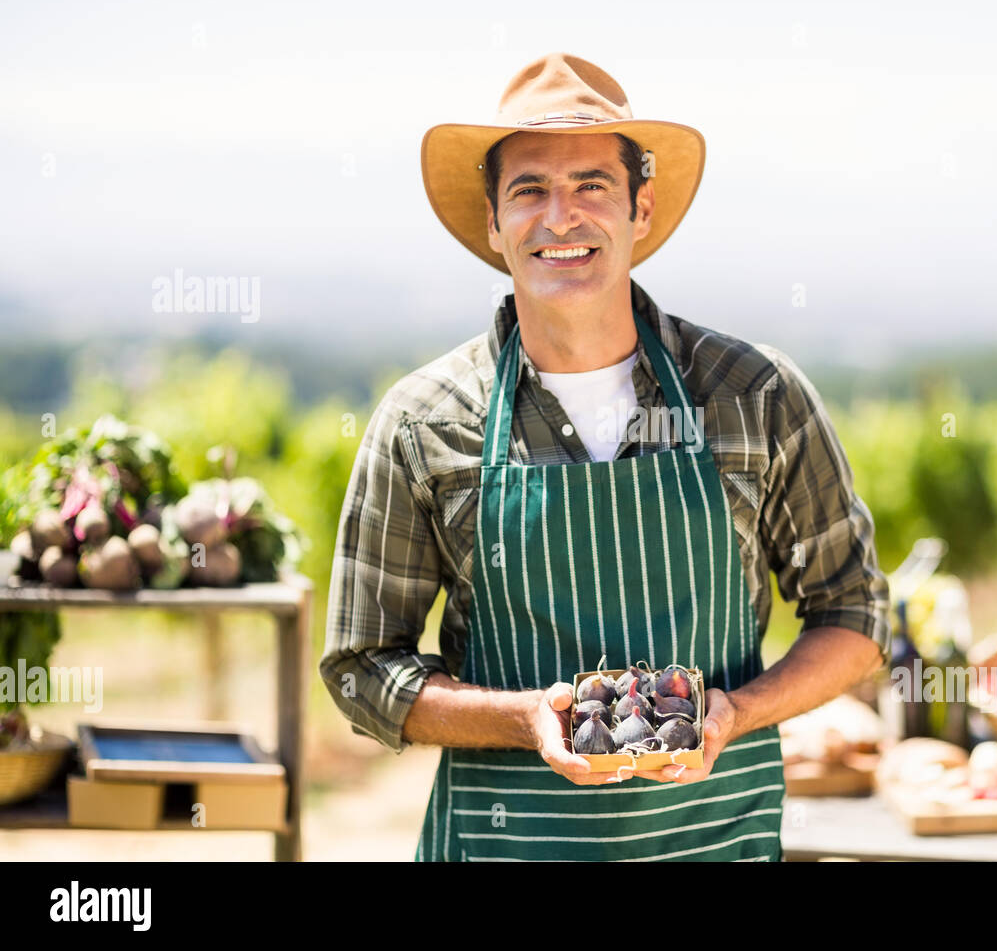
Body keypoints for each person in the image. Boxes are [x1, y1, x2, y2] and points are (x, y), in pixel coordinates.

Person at [321, 52, 891, 861]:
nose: (561, 217)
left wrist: (738, 711)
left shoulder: (755, 395)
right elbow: (359, 668)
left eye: (592, 185)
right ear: (492, 220)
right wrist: (524, 720)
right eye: (528, 190)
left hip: (714, 842)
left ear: (641, 210)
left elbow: (855, 616)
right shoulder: (424, 421)